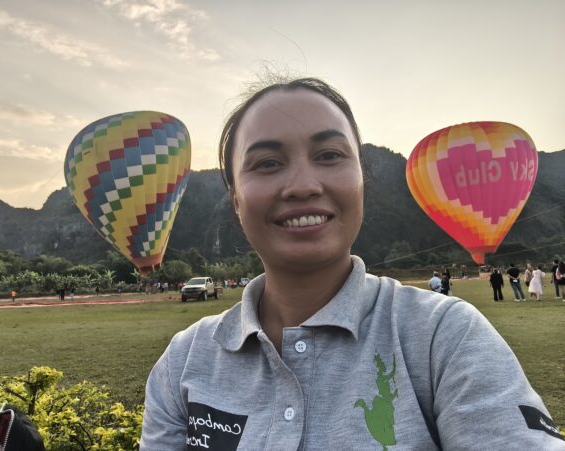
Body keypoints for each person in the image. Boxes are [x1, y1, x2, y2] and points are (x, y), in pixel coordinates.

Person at [140, 77, 565, 449]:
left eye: (329, 155)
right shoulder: (185, 362)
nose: (303, 185)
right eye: (267, 163)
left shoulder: (444, 336)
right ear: (235, 200)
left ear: (363, 179)